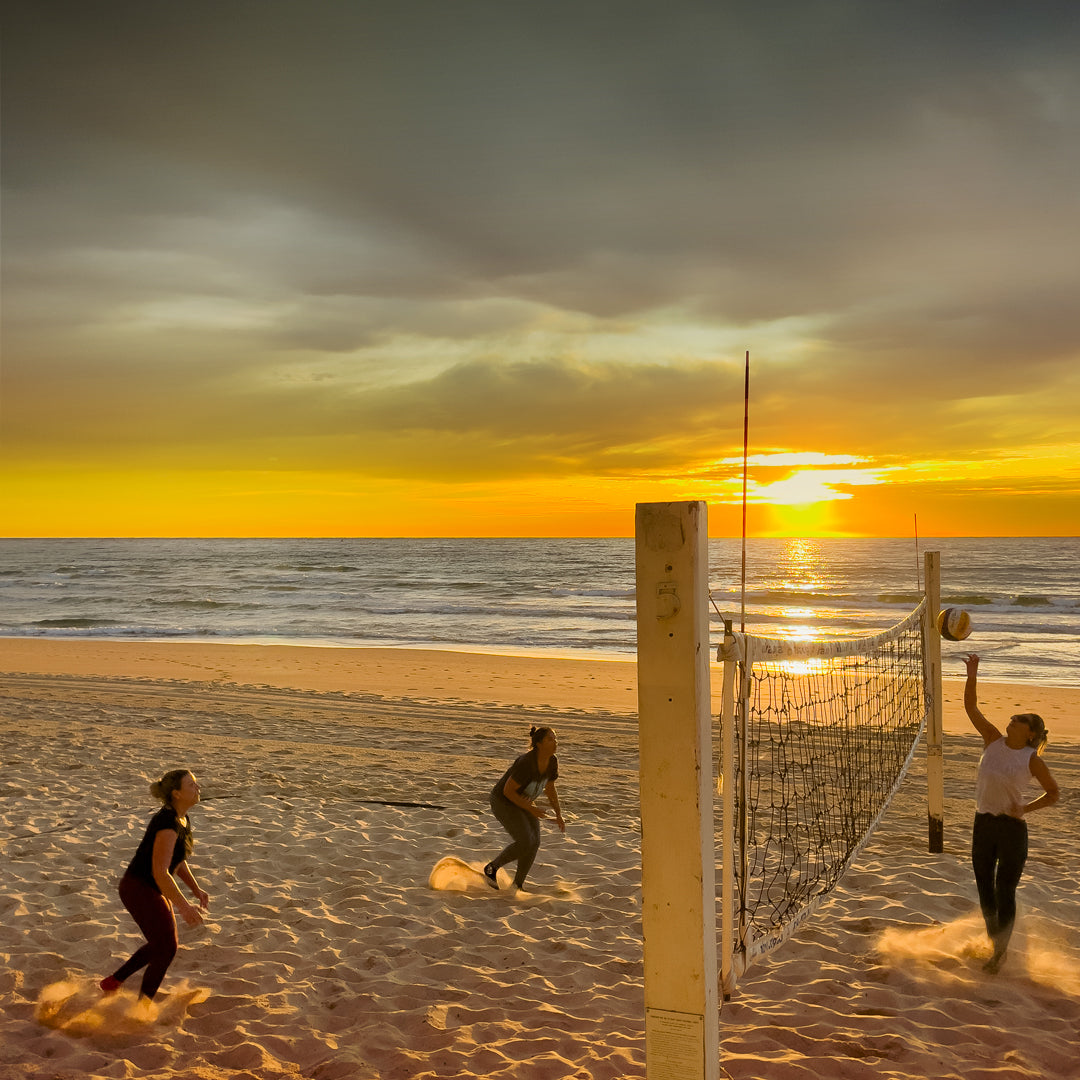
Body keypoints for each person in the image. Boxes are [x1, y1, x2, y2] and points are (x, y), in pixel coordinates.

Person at [963, 654, 1059, 973]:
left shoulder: (1032, 759)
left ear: (1030, 733)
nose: (1013, 720)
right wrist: (972, 673)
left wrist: (1026, 809)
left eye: (1020, 720)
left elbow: (1054, 793)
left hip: (1011, 829)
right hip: (983, 824)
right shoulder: (992, 739)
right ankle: (996, 941)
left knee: (1005, 890)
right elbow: (972, 709)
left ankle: (999, 951)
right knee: (984, 887)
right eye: (1014, 717)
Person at [100, 769, 209, 1000]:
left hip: (151, 887)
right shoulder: (167, 823)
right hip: (138, 888)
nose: (197, 788)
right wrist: (184, 906)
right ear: (177, 794)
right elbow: (160, 872)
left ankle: (114, 981)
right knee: (166, 947)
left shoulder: (182, 819)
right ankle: (142, 1006)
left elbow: (176, 862)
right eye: (191, 785)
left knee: (164, 944)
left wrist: (195, 889)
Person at [484, 726, 565, 891]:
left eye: (555, 738)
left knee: (534, 842)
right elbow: (508, 791)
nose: (555, 742)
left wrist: (558, 814)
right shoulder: (527, 763)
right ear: (540, 744)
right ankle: (491, 868)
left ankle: (517, 885)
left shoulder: (552, 761)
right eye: (550, 739)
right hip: (503, 801)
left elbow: (550, 788)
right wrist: (531, 808)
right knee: (525, 841)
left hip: (524, 802)